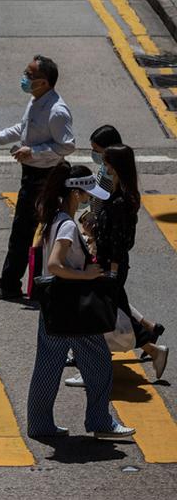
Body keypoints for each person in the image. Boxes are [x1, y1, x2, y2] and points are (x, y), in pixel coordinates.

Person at [25, 163, 134, 439]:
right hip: (75, 307)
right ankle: (100, 422)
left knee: (47, 366)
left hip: (54, 305)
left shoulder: (53, 218)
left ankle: (40, 424)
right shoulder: (67, 226)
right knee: (99, 365)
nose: (88, 198)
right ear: (76, 194)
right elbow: (56, 264)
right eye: (86, 194)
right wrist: (85, 274)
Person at [65, 143, 168, 386]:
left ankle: (92, 367)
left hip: (110, 265)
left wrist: (111, 270)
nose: (103, 165)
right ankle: (153, 348)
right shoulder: (118, 193)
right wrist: (95, 229)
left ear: (116, 165)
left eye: (107, 161)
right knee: (112, 312)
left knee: (98, 316)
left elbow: (121, 240)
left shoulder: (122, 200)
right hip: (106, 262)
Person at [0, 55, 74, 300]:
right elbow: (22, 129)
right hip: (31, 172)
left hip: (44, 176)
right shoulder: (35, 101)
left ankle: (11, 284)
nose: (25, 79)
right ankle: (25, 282)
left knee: (25, 230)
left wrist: (34, 151)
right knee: (29, 230)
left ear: (44, 82)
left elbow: (67, 146)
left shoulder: (57, 111)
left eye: (30, 76)